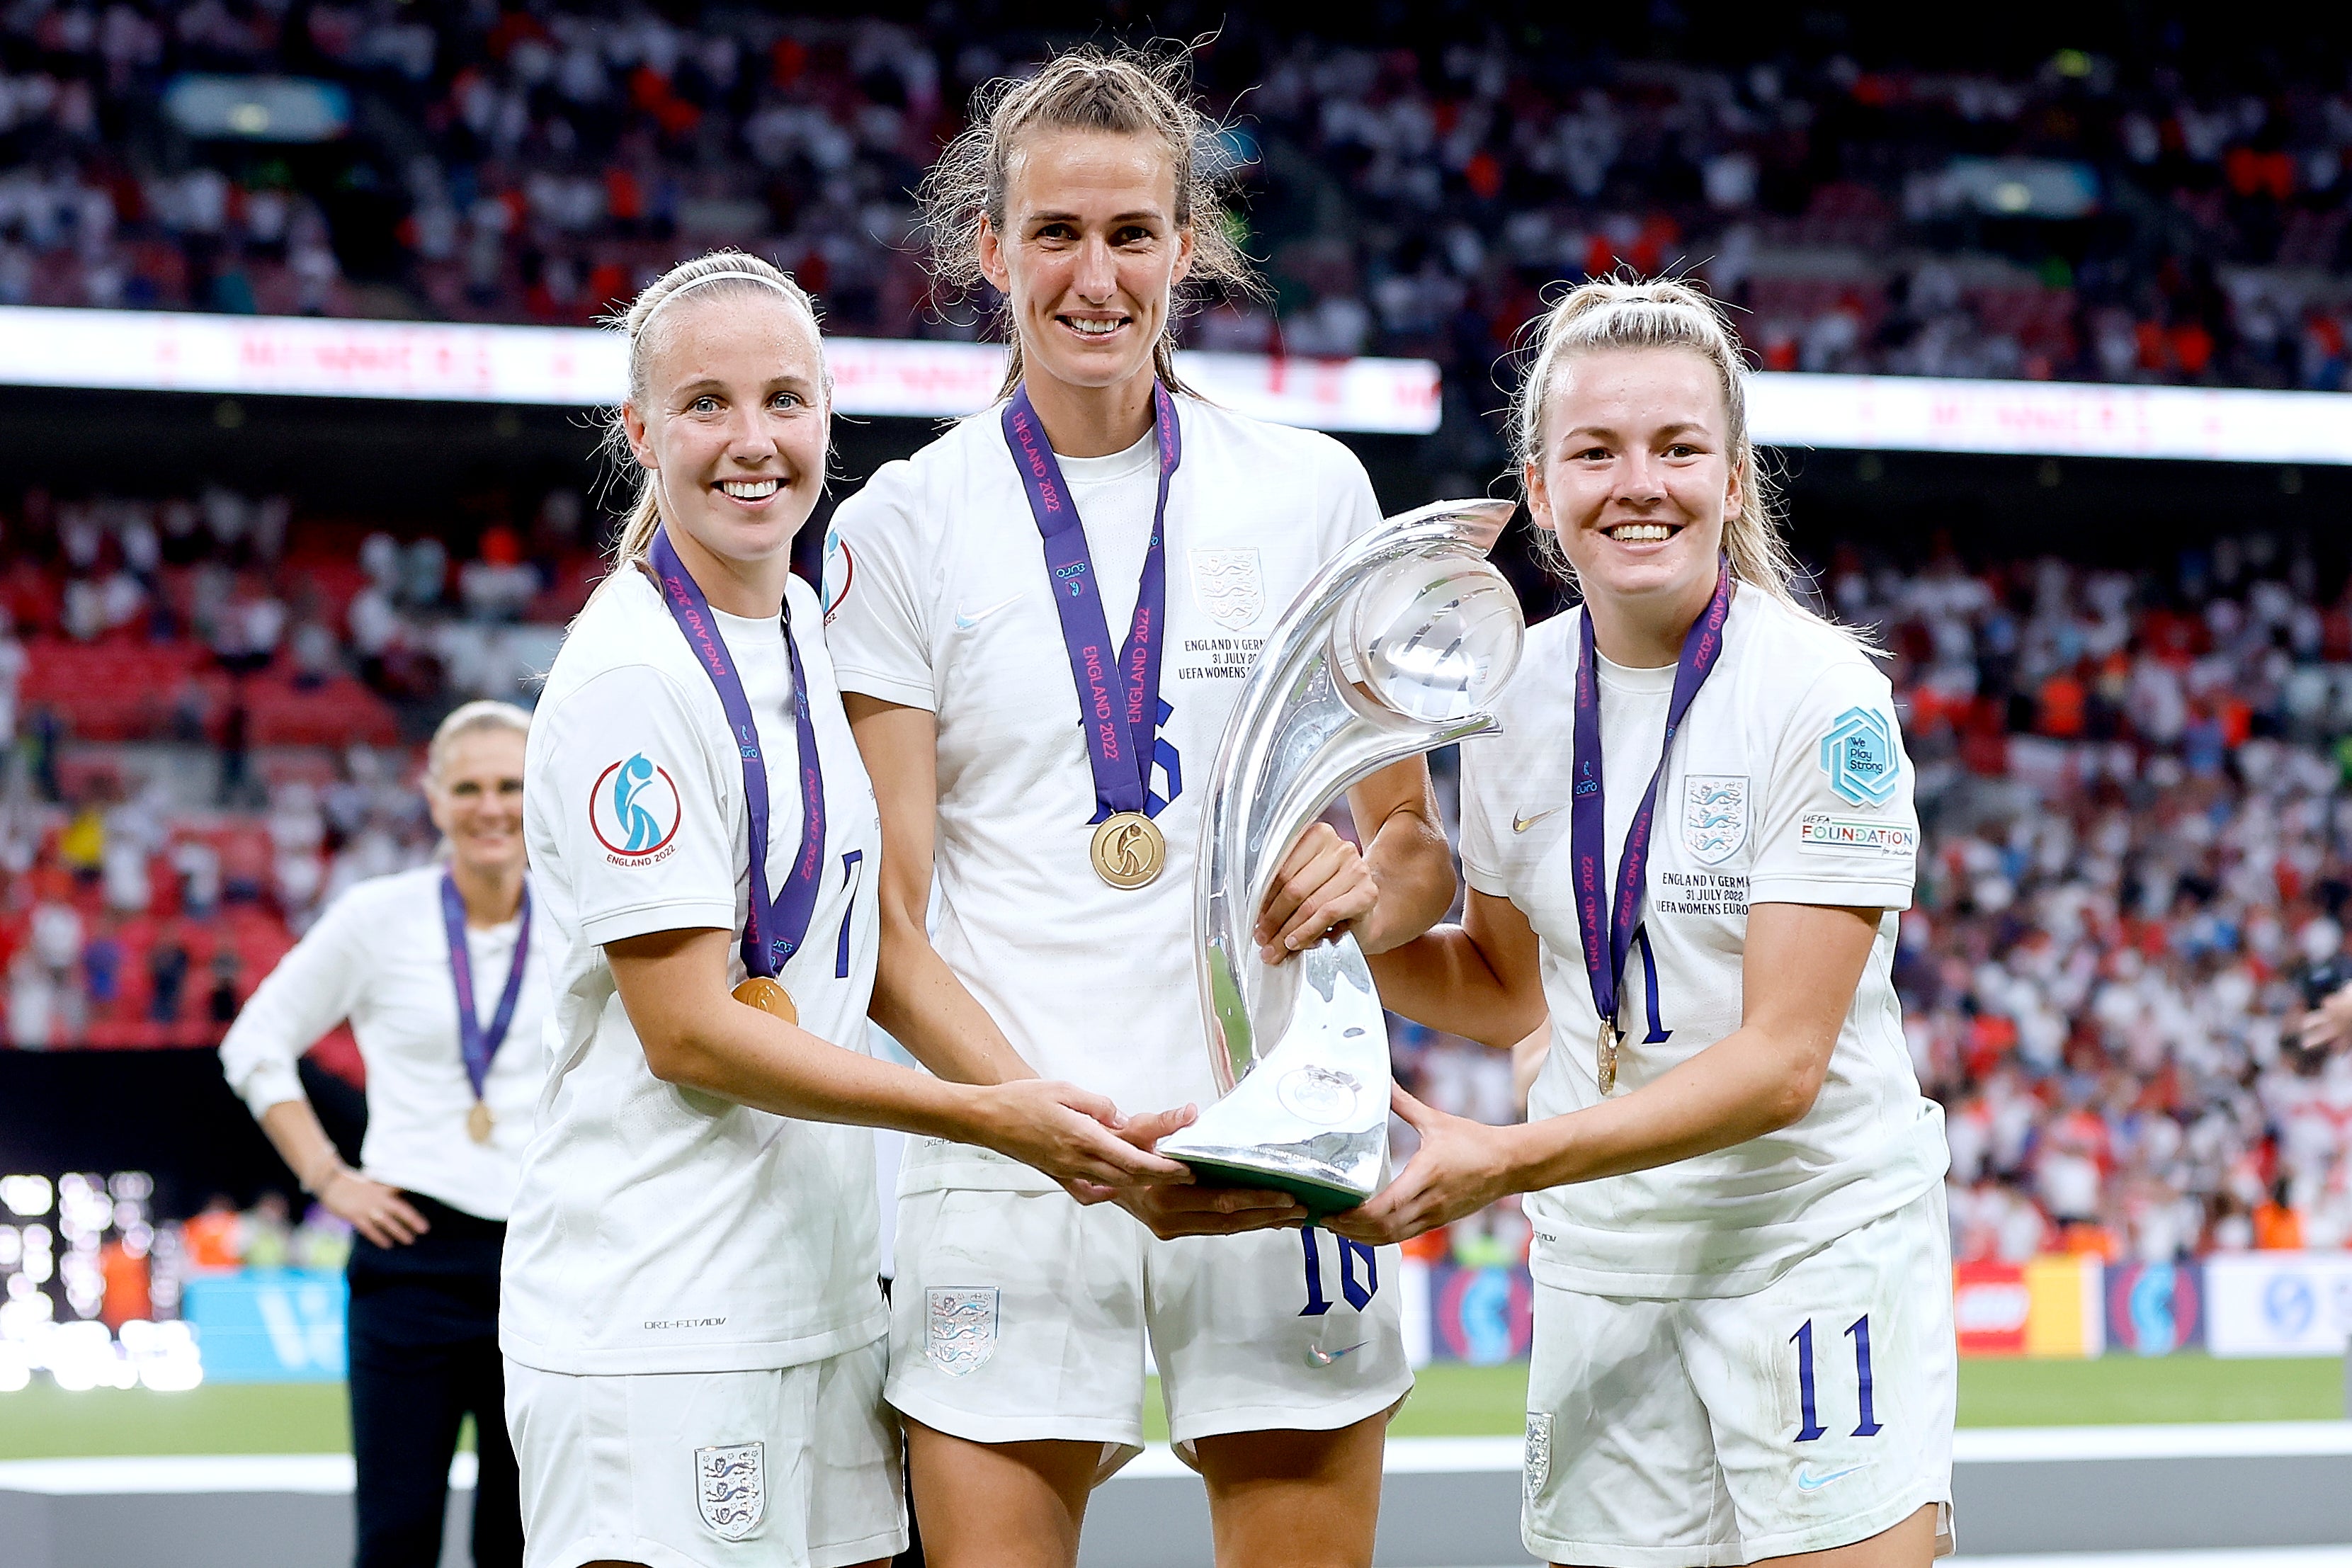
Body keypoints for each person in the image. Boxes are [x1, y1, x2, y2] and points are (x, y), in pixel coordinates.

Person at [824, 47, 1455, 1568]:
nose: (1091, 275)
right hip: (1007, 1154)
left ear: (1186, 248)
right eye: (1053, 233)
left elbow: (1420, 854)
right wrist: (1030, 1124)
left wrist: (1370, 887)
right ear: (989, 249)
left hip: (1281, 1134)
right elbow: (887, 925)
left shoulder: (1306, 492)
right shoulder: (903, 525)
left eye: (1127, 235)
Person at [504, 249, 1189, 1568]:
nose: (751, 441)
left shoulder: (805, 624)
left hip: (814, 1293)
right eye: (704, 405)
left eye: (785, 399)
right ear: (640, 432)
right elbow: (691, 1030)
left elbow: (866, 943)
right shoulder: (631, 681)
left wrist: (1056, 1119)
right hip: (657, 1316)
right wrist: (980, 1119)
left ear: (828, 418)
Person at [1330, 279, 1957, 1568]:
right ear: (1539, 486)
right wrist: (1352, 928)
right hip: (1604, 1257)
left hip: (1806, 1244)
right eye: (1596, 451)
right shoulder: (1506, 695)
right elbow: (1510, 988)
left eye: (1677, 448)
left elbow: (1783, 1063)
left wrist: (1509, 1155)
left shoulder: (1819, 696)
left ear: (1732, 481)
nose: (1640, 483)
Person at [220, 698, 547, 1568]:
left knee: (525, 1544)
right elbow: (254, 1043)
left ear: (544, 790)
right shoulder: (379, 917)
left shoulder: (588, 922)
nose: (491, 807)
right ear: (433, 799)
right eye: (469, 786)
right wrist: (327, 1177)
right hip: (412, 1262)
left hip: (550, 1266)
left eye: (512, 785)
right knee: (395, 1538)